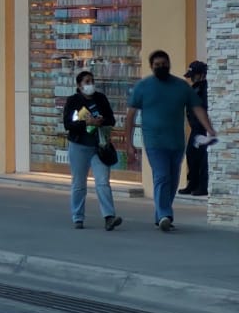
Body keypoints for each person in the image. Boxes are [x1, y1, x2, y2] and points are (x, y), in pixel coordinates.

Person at [124, 49, 217, 232]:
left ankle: (161, 213)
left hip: (176, 142)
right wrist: (129, 144)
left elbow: (197, 108)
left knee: (173, 180)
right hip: (154, 141)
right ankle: (165, 215)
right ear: (151, 67)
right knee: (161, 176)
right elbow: (130, 116)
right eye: (157, 65)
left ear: (169, 64)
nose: (161, 67)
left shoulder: (181, 87)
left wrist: (209, 129)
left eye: (164, 64)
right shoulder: (143, 87)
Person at [62, 70, 121, 231]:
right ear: (79, 85)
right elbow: (68, 124)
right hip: (79, 145)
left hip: (99, 146)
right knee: (79, 183)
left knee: (102, 182)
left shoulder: (100, 99)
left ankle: (109, 217)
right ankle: (78, 216)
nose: (90, 84)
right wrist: (87, 123)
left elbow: (111, 119)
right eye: (87, 82)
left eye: (92, 81)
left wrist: (101, 121)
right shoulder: (73, 101)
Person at [180, 60, 211, 197]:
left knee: (203, 158)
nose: (192, 78)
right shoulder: (194, 88)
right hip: (195, 127)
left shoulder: (206, 88)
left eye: (194, 75)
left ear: (201, 74)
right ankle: (192, 183)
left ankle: (202, 186)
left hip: (203, 128)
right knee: (191, 154)